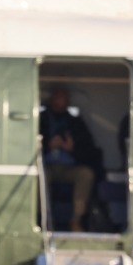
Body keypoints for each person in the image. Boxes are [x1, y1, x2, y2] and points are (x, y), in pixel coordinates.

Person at [39, 87, 101, 231]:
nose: (63, 100)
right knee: (40, 176)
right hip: (45, 165)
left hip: (68, 168)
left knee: (86, 174)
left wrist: (72, 148)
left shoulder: (76, 122)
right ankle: (43, 220)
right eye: (60, 97)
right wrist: (48, 146)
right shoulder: (40, 119)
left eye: (66, 98)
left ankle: (76, 220)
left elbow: (89, 149)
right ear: (52, 99)